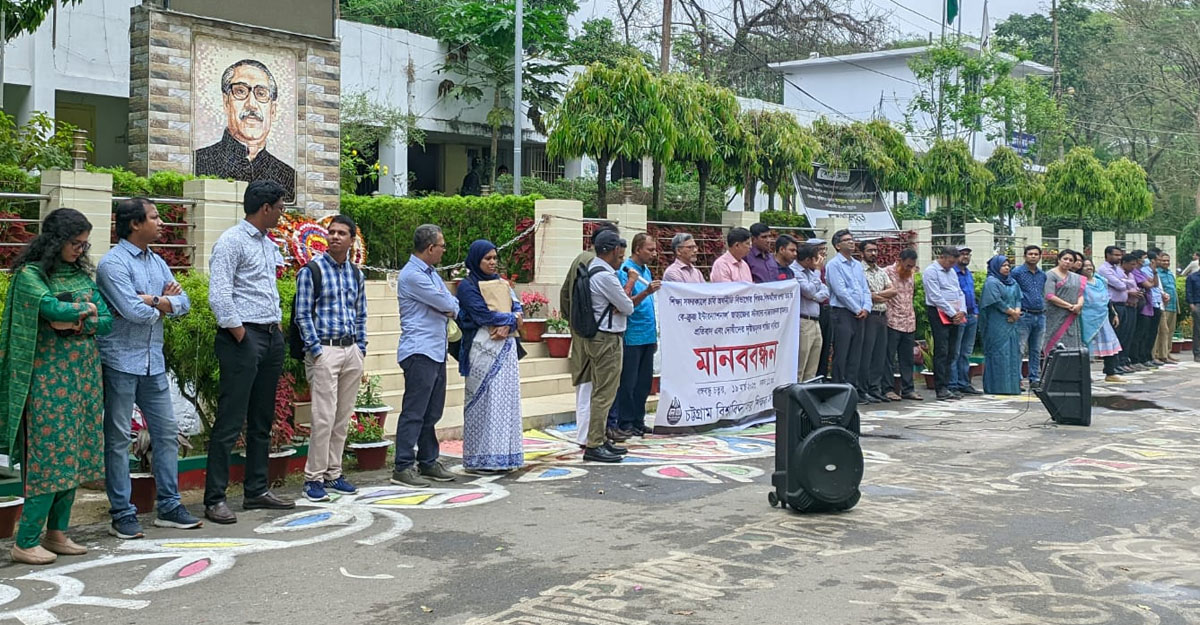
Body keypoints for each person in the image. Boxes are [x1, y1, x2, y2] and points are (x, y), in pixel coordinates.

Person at [0, 208, 112, 565]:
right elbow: (50, 308)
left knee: (75, 458)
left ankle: (57, 533)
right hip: (47, 385)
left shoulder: (80, 276)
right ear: (54, 242)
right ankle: (26, 540)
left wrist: (78, 320)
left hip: (84, 384)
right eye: (75, 243)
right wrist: (81, 311)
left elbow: (106, 319)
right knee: (49, 461)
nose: (81, 250)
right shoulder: (30, 277)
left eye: (84, 244)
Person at [97, 198, 200, 539]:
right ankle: (122, 513)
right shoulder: (112, 264)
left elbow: (183, 304)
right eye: (154, 217)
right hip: (120, 362)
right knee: (117, 440)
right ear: (135, 224)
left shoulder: (157, 262)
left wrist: (152, 299)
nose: (161, 223)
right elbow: (132, 312)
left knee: (166, 434)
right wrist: (160, 303)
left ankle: (169, 506)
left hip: (153, 361)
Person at [205, 180, 294, 524]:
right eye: (280, 207)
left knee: (262, 417)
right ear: (265, 208)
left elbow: (264, 288)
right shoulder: (231, 241)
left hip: (270, 335)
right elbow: (220, 293)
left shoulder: (267, 243)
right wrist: (240, 331)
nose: (282, 213)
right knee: (230, 419)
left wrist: (276, 327)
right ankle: (215, 498)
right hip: (243, 337)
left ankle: (256, 490)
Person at [294, 215, 368, 502]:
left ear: (352, 240)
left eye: (341, 233)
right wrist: (316, 350)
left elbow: (360, 313)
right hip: (324, 350)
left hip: (350, 350)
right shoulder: (311, 270)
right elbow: (302, 314)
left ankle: (333, 473)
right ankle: (313, 477)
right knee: (323, 418)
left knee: (342, 417)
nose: (335, 237)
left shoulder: (356, 274)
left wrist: (360, 347)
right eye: (331, 232)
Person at [391, 224, 461, 487]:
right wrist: (448, 304)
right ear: (430, 248)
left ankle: (428, 461)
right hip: (419, 350)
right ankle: (403, 466)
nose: (444, 250)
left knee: (432, 411)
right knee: (414, 411)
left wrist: (449, 304)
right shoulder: (413, 275)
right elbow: (446, 303)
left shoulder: (431, 273)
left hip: (436, 349)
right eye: (442, 246)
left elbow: (451, 304)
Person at [455, 240, 524, 473]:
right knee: (483, 402)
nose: (493, 262)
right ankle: (479, 458)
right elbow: (482, 315)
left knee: (505, 401)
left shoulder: (502, 284)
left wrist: (510, 322)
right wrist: (509, 321)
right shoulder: (467, 286)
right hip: (482, 349)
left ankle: (504, 456)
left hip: (506, 348)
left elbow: (518, 308)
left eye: (495, 258)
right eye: (488, 258)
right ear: (477, 260)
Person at [195, 60, 296, 203]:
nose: (252, 105)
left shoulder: (289, 177)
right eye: (240, 91)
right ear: (226, 102)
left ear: (272, 110)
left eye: (261, 94)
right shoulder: (198, 162)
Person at [578, 230, 637, 463]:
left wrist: (620, 302)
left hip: (599, 336)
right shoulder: (605, 276)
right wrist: (631, 281)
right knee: (605, 393)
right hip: (607, 338)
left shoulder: (592, 267)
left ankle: (601, 439)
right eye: (620, 256)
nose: (621, 260)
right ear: (613, 251)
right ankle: (594, 444)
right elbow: (628, 306)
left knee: (604, 391)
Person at [561, 223, 620, 448]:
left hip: (582, 329)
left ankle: (591, 436)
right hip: (595, 331)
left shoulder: (582, 260)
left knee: (589, 386)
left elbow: (565, 293)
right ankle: (590, 438)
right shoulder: (594, 264)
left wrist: (572, 323)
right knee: (593, 386)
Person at [612, 233, 662, 438]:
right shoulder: (626, 271)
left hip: (648, 335)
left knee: (643, 383)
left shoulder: (646, 271)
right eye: (650, 249)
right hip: (632, 334)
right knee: (629, 383)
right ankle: (626, 421)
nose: (654, 253)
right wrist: (646, 293)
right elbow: (625, 302)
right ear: (638, 249)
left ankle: (638, 420)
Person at [825, 229, 872, 401]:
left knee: (856, 353)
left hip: (860, 313)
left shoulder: (857, 265)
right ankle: (838, 391)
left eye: (852, 239)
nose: (851, 242)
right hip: (843, 312)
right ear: (838, 245)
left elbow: (865, 289)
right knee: (842, 353)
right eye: (846, 240)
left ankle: (852, 390)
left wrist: (866, 307)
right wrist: (856, 308)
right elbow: (840, 291)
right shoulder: (833, 265)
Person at [923, 246, 966, 401]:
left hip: (955, 312)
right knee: (941, 350)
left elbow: (959, 292)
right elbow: (935, 296)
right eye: (950, 261)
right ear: (942, 257)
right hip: (939, 312)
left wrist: (962, 311)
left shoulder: (952, 271)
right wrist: (952, 313)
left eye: (954, 262)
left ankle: (949, 385)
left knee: (952, 351)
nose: (952, 265)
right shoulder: (931, 271)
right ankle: (940, 387)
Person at [979, 255, 1022, 395]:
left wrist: (1016, 312)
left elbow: (1018, 299)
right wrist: (1011, 313)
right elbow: (995, 301)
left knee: (1012, 353)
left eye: (1008, 265)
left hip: (1011, 323)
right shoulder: (992, 282)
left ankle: (1012, 387)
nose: (1007, 268)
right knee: (999, 353)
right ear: (996, 267)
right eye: (1003, 265)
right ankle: (997, 387)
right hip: (997, 323)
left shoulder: (1013, 282)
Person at [859, 240, 896, 402]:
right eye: (869, 251)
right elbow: (867, 295)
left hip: (882, 316)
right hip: (869, 316)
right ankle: (864, 388)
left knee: (879, 355)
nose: (873, 253)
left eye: (875, 250)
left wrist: (877, 295)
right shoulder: (858, 270)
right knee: (867, 354)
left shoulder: (881, 271)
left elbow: (893, 290)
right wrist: (881, 296)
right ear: (862, 253)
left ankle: (875, 388)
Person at [1080, 259, 1125, 383]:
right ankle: (1085, 375)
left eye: (1090, 265)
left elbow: (1107, 299)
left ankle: (1110, 372)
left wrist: (1113, 313)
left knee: (1109, 344)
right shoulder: (1079, 282)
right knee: (1086, 347)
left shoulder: (1100, 281)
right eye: (1085, 266)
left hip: (1103, 317)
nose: (1089, 268)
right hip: (1087, 318)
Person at [1098, 246, 1141, 373]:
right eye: (1116, 255)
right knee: (1115, 336)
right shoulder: (1104, 269)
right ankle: (1112, 365)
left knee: (1125, 335)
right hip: (1114, 305)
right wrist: (1125, 282)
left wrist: (1124, 282)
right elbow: (1120, 285)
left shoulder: (1117, 269)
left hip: (1123, 305)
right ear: (1107, 255)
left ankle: (1121, 362)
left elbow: (1127, 283)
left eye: (1120, 255)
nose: (1119, 257)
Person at [885, 249, 921, 401]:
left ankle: (908, 389)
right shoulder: (886, 272)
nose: (909, 269)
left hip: (908, 322)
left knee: (907, 358)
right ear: (899, 261)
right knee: (889, 357)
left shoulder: (911, 274)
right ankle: (887, 389)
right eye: (907, 266)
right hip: (892, 320)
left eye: (912, 266)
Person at [1010, 245, 1047, 388]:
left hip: (1040, 314)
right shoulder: (1017, 272)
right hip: (1024, 314)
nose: (1033, 256)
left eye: (1036, 254)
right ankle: (1017, 378)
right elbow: (1012, 291)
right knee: (1020, 348)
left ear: (1039, 257)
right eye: (1030, 254)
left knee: (1036, 349)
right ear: (1025, 256)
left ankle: (1034, 378)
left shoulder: (1042, 274)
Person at [949, 248, 983, 395]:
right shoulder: (951, 273)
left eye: (968, 254)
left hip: (971, 315)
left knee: (966, 352)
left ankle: (964, 382)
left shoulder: (968, 273)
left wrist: (975, 312)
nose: (966, 257)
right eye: (962, 254)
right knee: (955, 351)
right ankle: (953, 384)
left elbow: (971, 294)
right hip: (958, 315)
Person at [794, 244, 829, 381]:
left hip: (815, 320)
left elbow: (825, 290)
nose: (819, 261)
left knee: (813, 364)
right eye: (816, 258)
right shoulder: (796, 271)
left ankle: (808, 394)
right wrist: (817, 272)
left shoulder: (810, 272)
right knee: (801, 363)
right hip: (803, 320)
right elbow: (807, 290)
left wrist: (814, 297)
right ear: (808, 260)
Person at [1041, 250, 1085, 358]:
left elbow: (1080, 294)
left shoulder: (1076, 277)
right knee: (1054, 341)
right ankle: (1052, 370)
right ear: (1059, 259)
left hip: (1072, 315)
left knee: (1072, 341)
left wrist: (1078, 305)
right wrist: (1069, 306)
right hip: (1055, 315)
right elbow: (1049, 295)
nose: (1067, 262)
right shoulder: (1050, 275)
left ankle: (1070, 369)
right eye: (1065, 259)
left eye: (1071, 260)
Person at [1127, 250, 1159, 368]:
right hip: (1142, 307)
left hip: (1148, 305)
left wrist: (1155, 272)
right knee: (1139, 334)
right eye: (1144, 258)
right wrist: (1150, 281)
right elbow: (1149, 285)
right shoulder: (1134, 272)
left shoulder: (1141, 272)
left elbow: (1154, 283)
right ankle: (1136, 359)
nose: (1147, 261)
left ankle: (1144, 357)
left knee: (1147, 333)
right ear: (1138, 259)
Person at [1153, 252, 1180, 364]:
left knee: (1170, 331)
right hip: (1164, 305)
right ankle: (1158, 354)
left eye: (1168, 260)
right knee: (1162, 330)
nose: (1166, 263)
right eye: (1164, 260)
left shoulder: (1170, 273)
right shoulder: (1157, 274)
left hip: (1173, 305)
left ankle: (1167, 352)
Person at [1187, 266, 1200, 361]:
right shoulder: (1192, 277)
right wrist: (1191, 304)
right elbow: (1189, 292)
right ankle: (1197, 353)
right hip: (1197, 304)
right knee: (1198, 330)